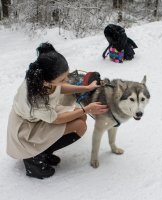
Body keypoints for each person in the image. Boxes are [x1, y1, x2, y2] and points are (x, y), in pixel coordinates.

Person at [6, 42, 108, 179]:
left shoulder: (43, 79)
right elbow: (57, 119)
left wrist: (86, 88)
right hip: (27, 128)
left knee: (81, 118)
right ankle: (33, 157)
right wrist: (87, 108)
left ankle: (44, 150)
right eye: (62, 78)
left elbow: (60, 87)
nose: (67, 79)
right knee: (79, 126)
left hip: (45, 115)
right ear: (46, 81)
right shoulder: (35, 98)